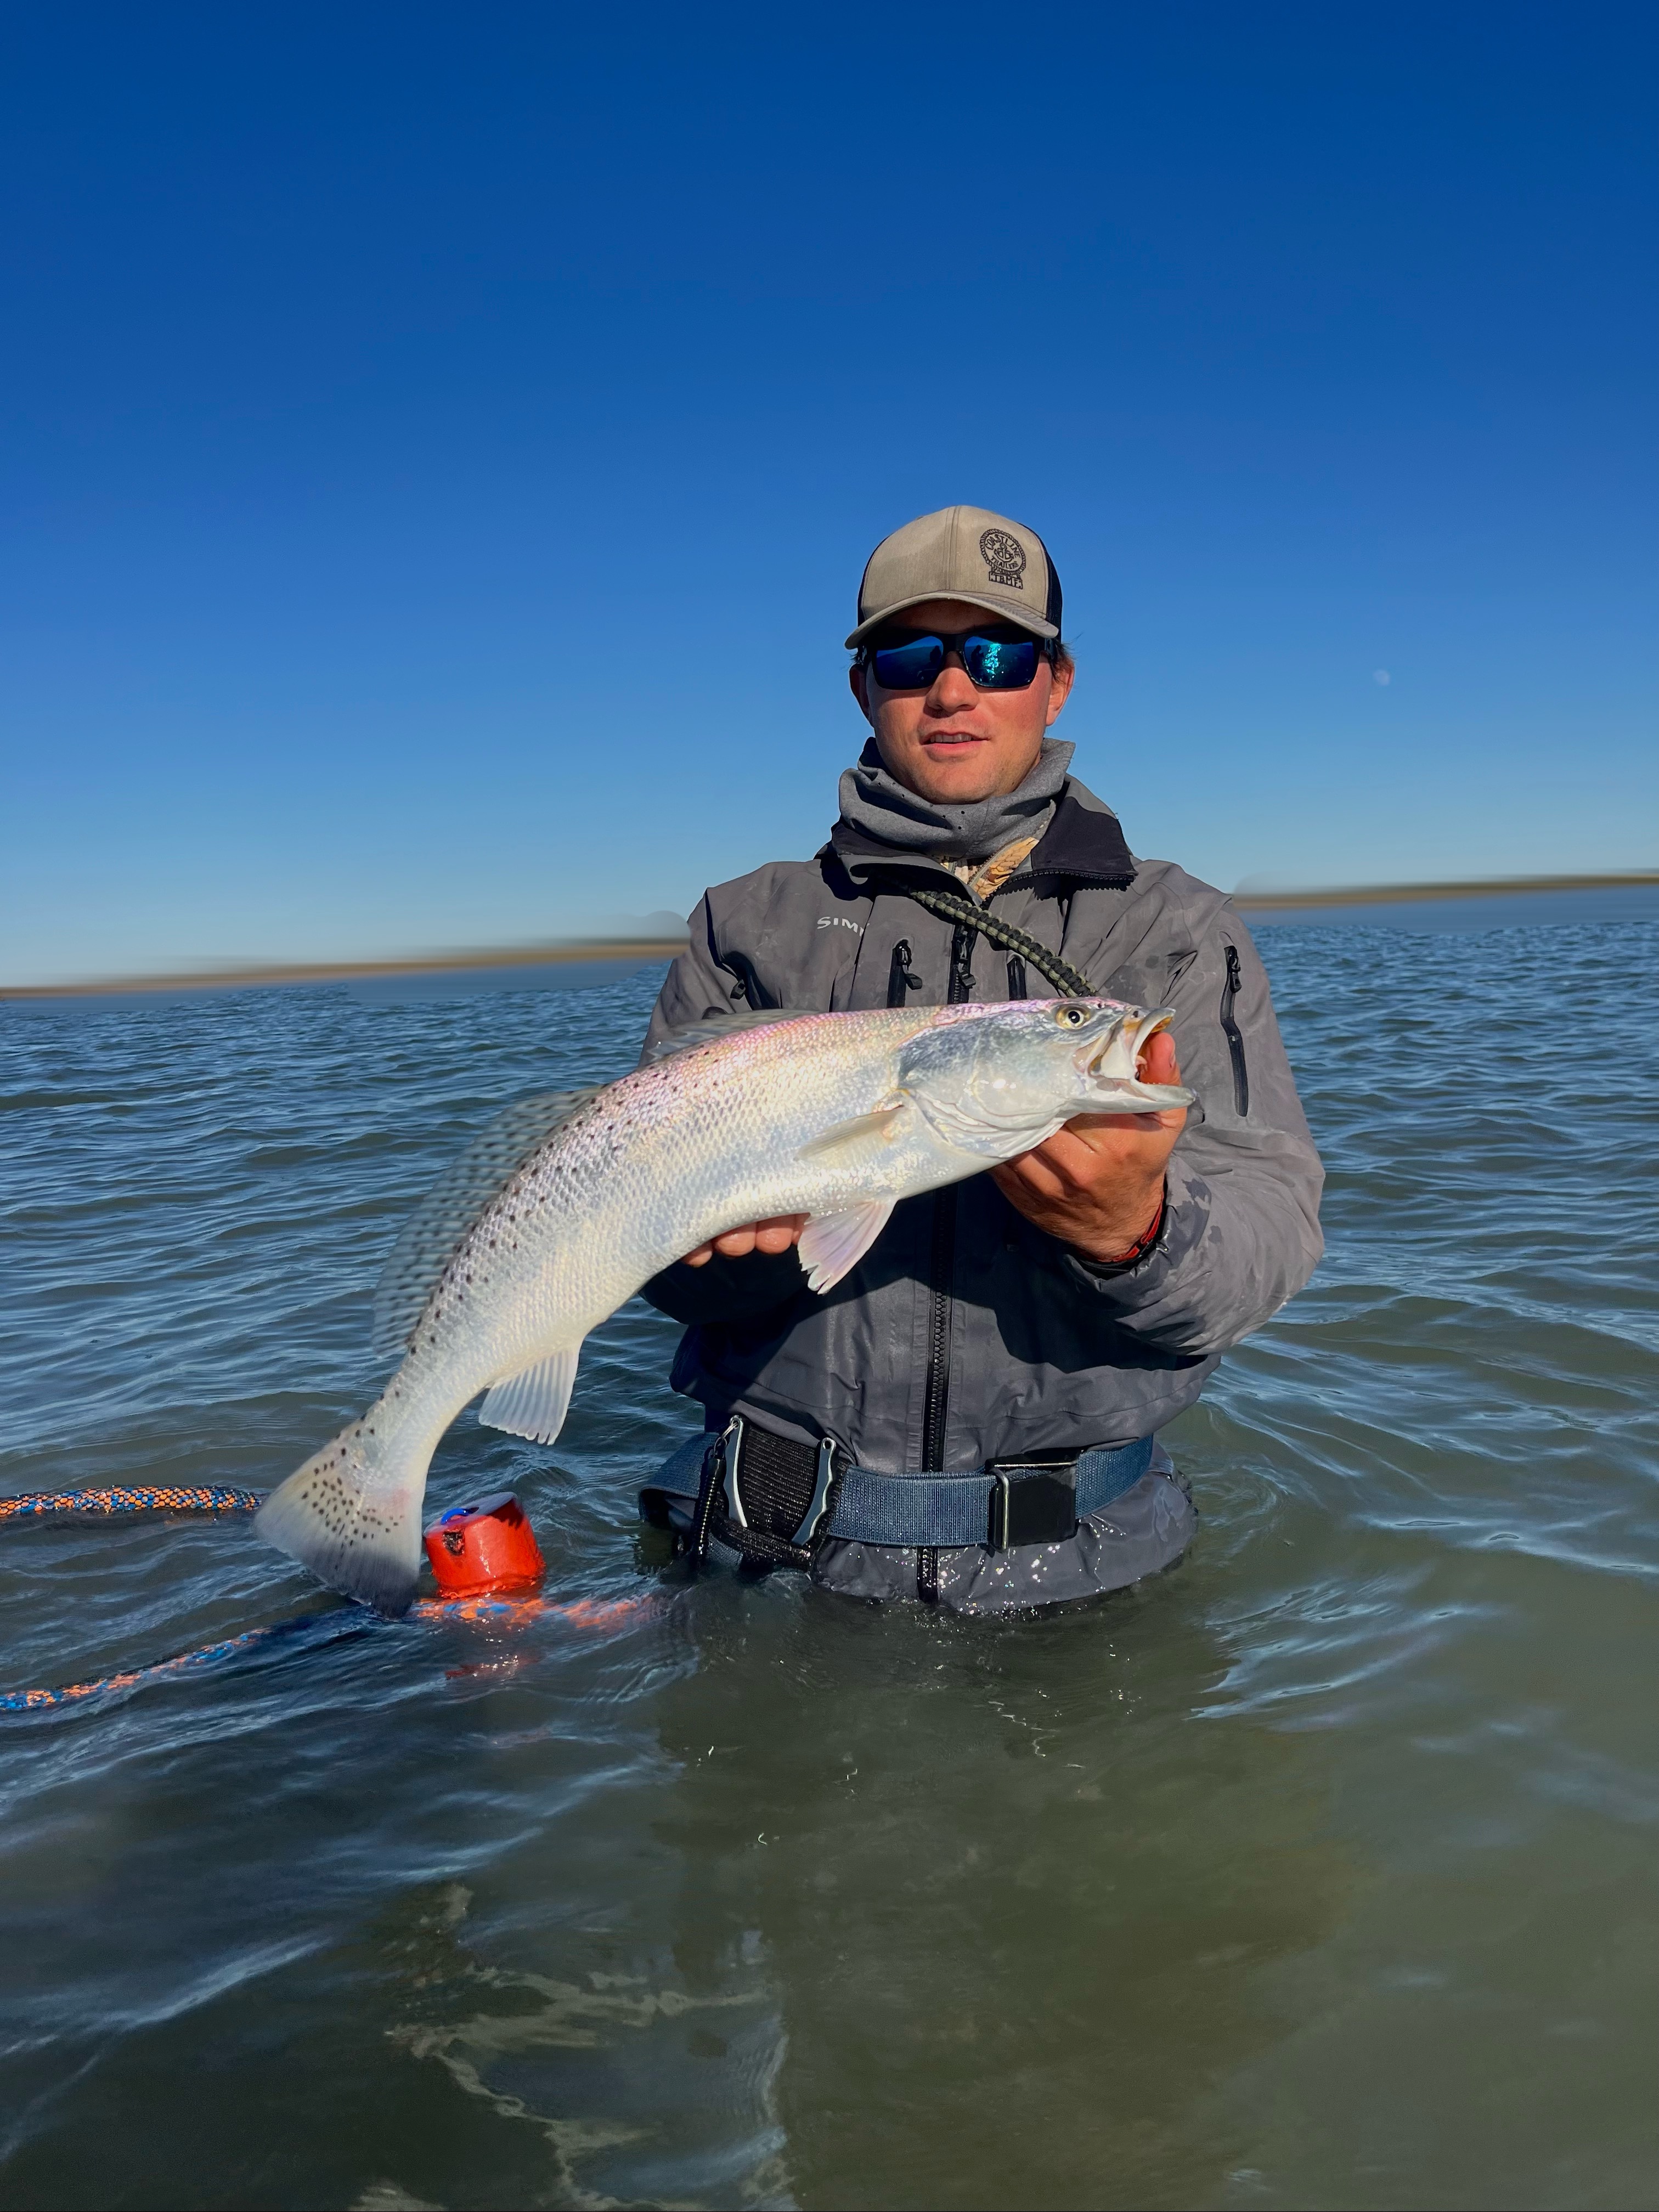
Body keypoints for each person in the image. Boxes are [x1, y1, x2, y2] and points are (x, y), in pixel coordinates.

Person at [636, 505, 1323, 1611]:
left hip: (1090, 1571)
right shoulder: (744, 924)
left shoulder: (1176, 931)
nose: (953, 690)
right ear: (865, 688)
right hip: (780, 1569)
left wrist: (1134, 1237)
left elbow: (1264, 1240)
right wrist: (731, 1249)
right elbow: (666, 1273)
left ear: (1054, 683)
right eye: (912, 657)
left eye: (997, 655)